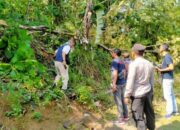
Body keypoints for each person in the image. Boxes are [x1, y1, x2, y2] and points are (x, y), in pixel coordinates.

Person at [124, 43, 155, 130]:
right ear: (143, 52)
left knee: (138, 116)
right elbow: (151, 80)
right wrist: (151, 92)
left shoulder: (134, 64)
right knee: (150, 114)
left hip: (138, 94)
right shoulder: (149, 63)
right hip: (148, 92)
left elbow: (130, 81)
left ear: (134, 52)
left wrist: (127, 95)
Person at [156, 43, 179, 118]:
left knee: (167, 96)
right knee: (171, 95)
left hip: (167, 79)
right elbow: (168, 66)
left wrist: (161, 70)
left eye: (160, 47)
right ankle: (175, 111)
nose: (159, 49)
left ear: (163, 49)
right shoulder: (167, 57)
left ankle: (169, 113)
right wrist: (160, 66)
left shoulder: (167, 57)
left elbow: (171, 67)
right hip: (169, 78)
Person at [110, 49, 128, 124]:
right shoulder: (121, 61)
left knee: (118, 101)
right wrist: (124, 81)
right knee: (123, 100)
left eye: (112, 53)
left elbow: (115, 73)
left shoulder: (115, 61)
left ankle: (120, 119)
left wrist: (114, 84)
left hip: (117, 84)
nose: (111, 54)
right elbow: (124, 72)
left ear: (114, 53)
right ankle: (126, 116)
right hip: (123, 83)